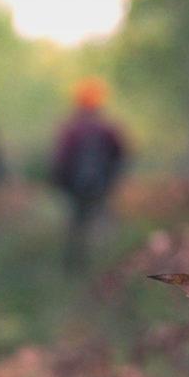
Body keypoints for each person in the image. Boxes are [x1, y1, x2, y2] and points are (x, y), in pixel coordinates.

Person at [51, 77, 125, 272]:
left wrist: (60, 184)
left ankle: (74, 266)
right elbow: (121, 154)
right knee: (101, 223)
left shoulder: (70, 128)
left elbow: (60, 160)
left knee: (76, 226)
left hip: (76, 187)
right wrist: (111, 179)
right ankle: (102, 267)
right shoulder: (107, 127)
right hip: (100, 185)